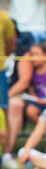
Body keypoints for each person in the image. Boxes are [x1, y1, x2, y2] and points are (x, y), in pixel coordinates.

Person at [0, 11, 15, 146]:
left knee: (4, 112)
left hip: (0, 71)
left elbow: (11, 46)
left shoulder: (4, 18)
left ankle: (6, 154)